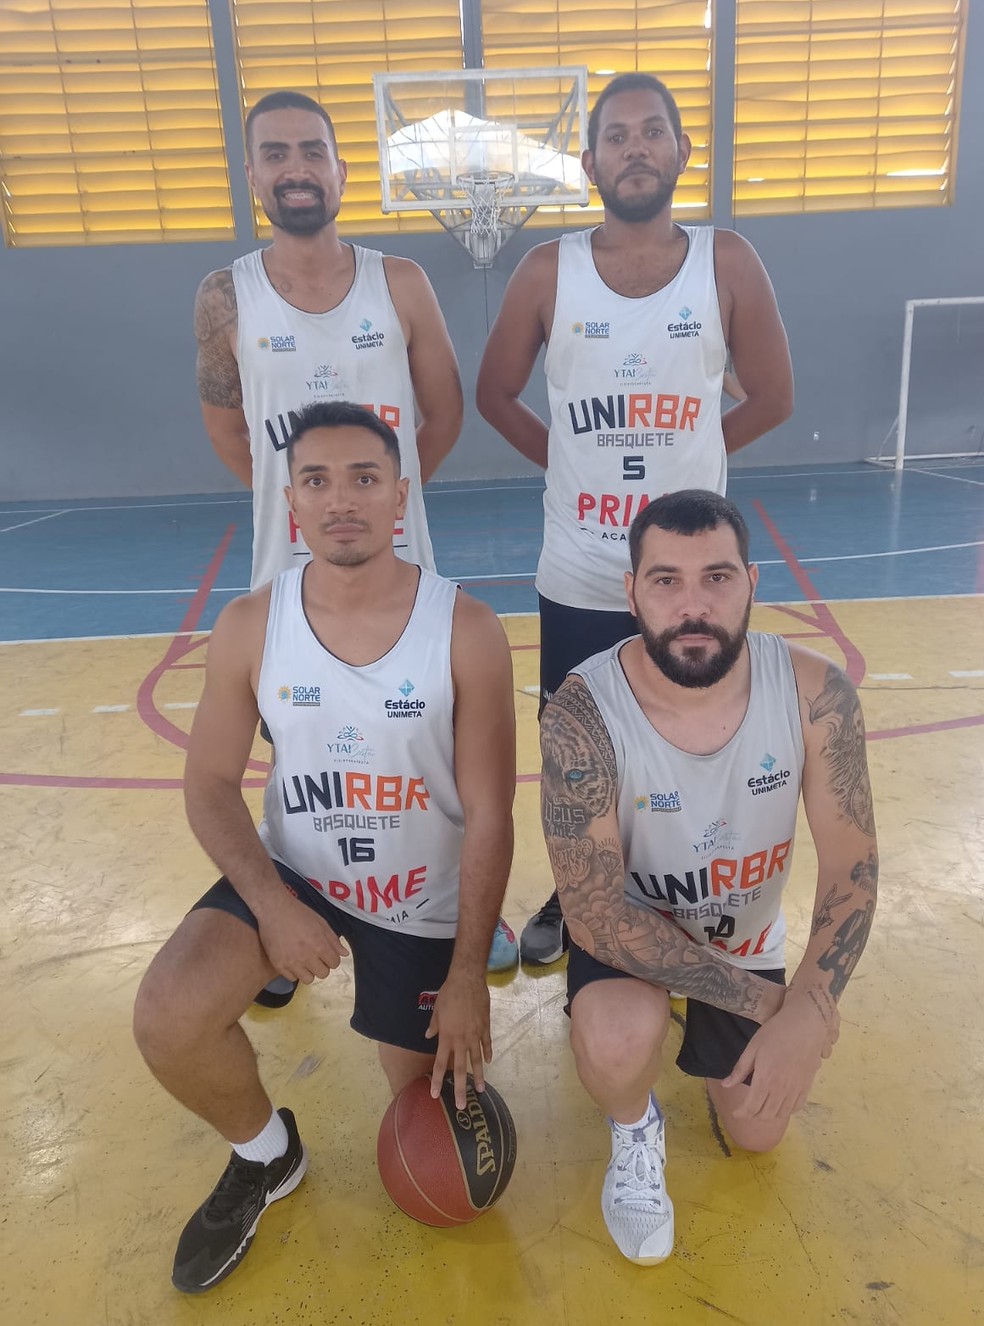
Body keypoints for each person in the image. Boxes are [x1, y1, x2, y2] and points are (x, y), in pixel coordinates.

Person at [133, 401, 516, 1294]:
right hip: (299, 876)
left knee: (430, 1115)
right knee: (168, 1017)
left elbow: (492, 815)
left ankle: (415, 1005)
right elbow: (207, 784)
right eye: (317, 480)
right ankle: (268, 1155)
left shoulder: (466, 630)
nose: (341, 499)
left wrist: (466, 975)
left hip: (420, 901)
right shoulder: (249, 627)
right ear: (290, 500)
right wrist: (272, 905)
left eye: (363, 478)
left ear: (399, 496)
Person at [194, 89, 516, 973]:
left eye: (312, 150)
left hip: (398, 569)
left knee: (436, 758)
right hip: (284, 576)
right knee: (298, 751)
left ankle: (460, 912)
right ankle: (290, 909)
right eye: (275, 153)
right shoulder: (226, 295)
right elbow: (229, 431)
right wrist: (306, 511)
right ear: (253, 174)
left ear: (340, 170)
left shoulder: (399, 282)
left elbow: (441, 416)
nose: (295, 167)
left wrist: (372, 516)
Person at [476, 72, 794, 966]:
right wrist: (565, 461)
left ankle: (683, 908)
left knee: (696, 750)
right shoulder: (550, 269)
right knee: (585, 762)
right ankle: (578, 900)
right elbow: (493, 393)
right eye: (617, 136)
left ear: (682, 150)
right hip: (580, 569)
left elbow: (774, 395)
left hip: (693, 578)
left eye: (653, 132)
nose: (636, 148)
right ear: (590, 163)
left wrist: (698, 459)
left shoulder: (725, 261)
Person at [539, 490, 877, 1265]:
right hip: (629, 942)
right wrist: (778, 1009)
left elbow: (853, 866)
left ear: (753, 581)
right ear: (631, 592)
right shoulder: (584, 712)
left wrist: (815, 1000)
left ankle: (698, 1019)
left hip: (743, 937)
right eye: (666, 581)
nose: (693, 606)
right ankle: (634, 1129)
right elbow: (592, 915)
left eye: (716, 577)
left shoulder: (817, 694)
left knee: (758, 1134)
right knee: (622, 1038)